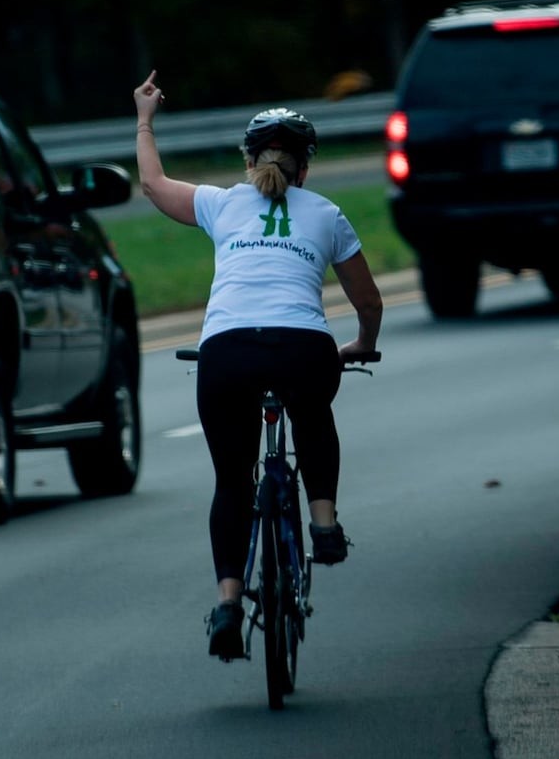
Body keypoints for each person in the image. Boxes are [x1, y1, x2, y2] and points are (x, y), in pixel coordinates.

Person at [131, 70, 384, 662]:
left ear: (249, 161)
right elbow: (367, 300)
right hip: (303, 349)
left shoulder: (220, 204)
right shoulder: (326, 213)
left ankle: (226, 603)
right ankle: (323, 524)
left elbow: (151, 184)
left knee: (231, 480)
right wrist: (362, 343)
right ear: (305, 167)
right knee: (313, 415)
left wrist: (145, 119)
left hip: (227, 352)